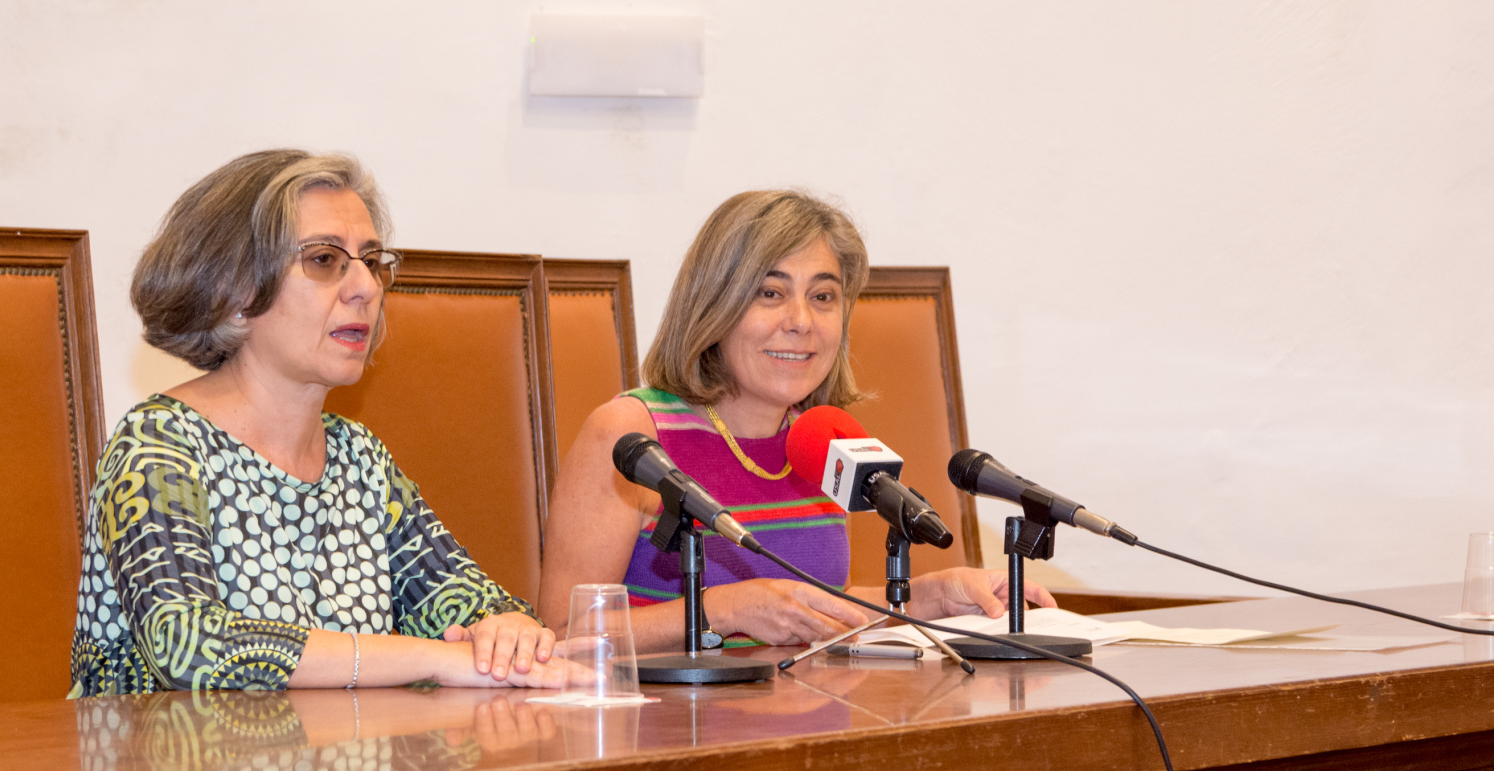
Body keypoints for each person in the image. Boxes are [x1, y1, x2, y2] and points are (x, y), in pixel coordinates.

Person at [70, 150, 562, 696]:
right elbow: (190, 646)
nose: (366, 287)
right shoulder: (158, 445)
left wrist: (507, 630)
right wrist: (435, 659)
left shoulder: (358, 457)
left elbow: (467, 601)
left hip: (336, 752)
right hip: (165, 752)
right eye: (325, 259)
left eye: (371, 261)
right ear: (234, 292)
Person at [539, 190, 1054, 651]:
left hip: (807, 713)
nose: (801, 321)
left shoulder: (816, 439)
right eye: (771, 293)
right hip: (668, 721)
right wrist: (723, 610)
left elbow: (813, 610)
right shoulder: (632, 434)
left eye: (822, 297)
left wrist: (932, 596)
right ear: (712, 305)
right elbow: (562, 633)